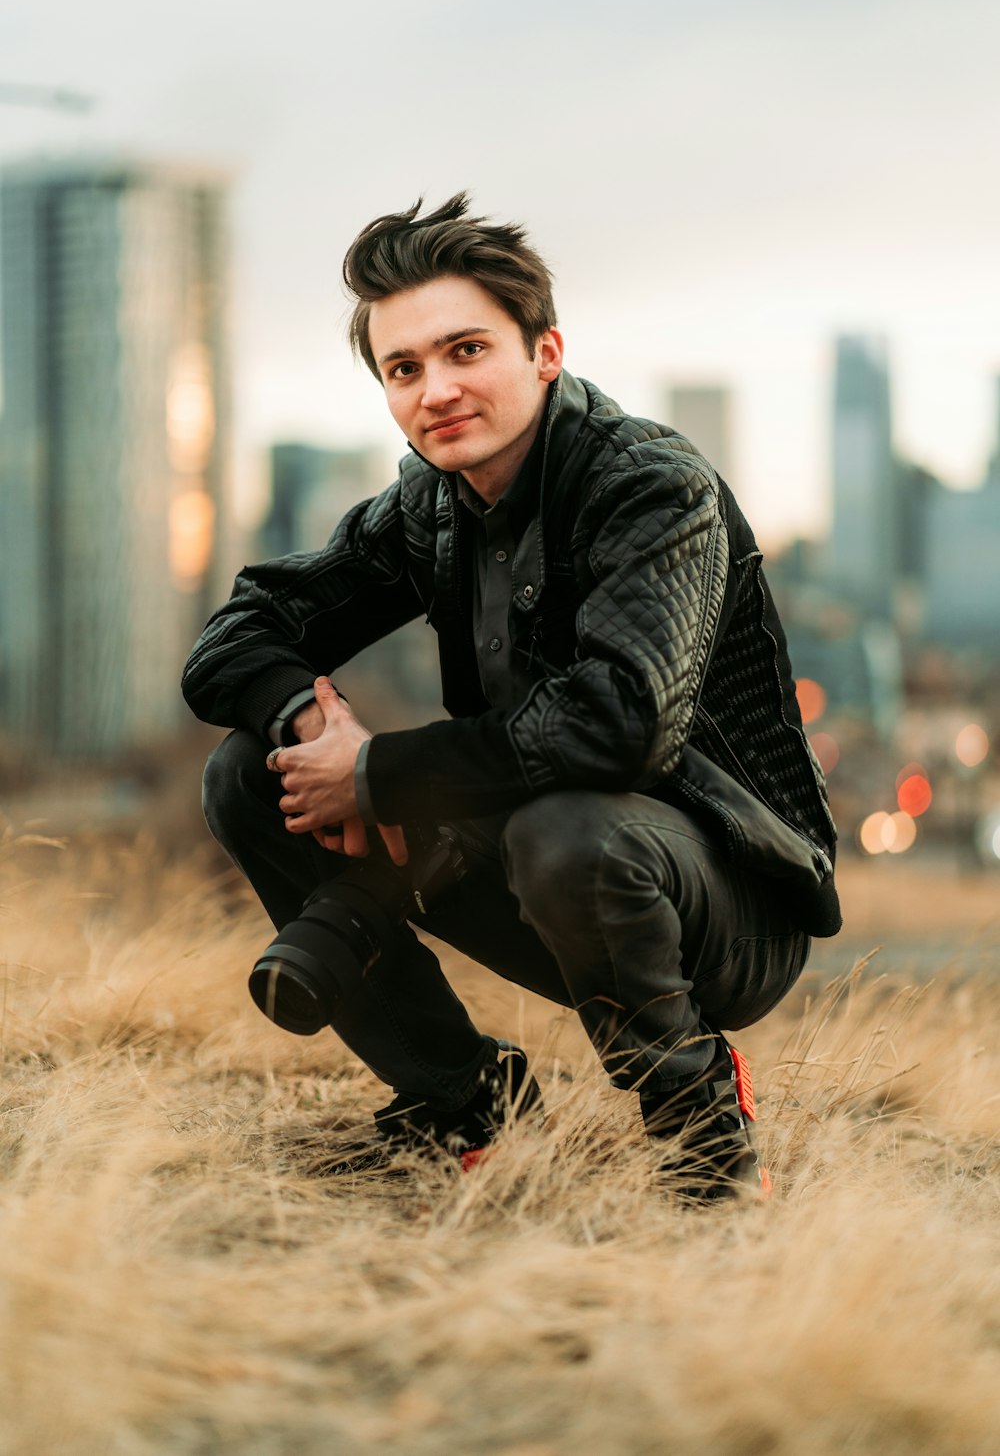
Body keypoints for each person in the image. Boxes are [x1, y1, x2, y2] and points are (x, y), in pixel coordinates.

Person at [183, 194, 841, 1201]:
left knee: (569, 830)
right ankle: (469, 1104)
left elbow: (621, 720)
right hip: (551, 854)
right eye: (404, 368)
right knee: (251, 772)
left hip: (727, 902)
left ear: (544, 352)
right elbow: (233, 634)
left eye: (465, 350)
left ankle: (702, 1135)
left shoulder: (648, 484)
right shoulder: (430, 505)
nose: (435, 389)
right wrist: (312, 722)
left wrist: (381, 774)